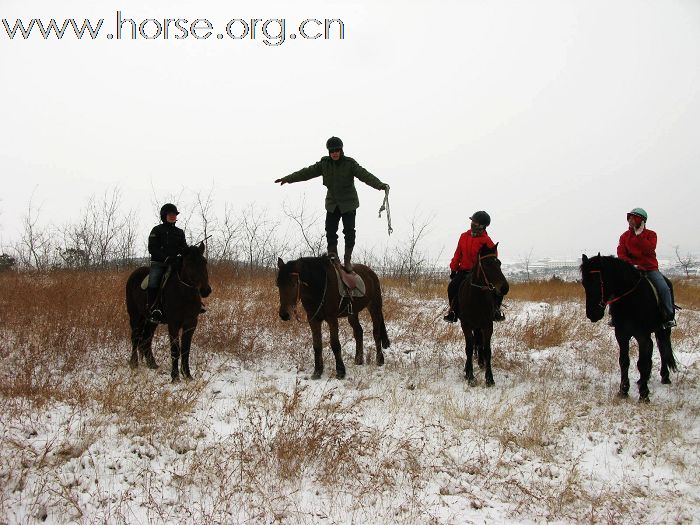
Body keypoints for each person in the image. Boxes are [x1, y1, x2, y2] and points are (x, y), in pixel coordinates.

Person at [275, 136, 389, 272]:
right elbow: (306, 172)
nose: (334, 153)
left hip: (349, 203)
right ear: (329, 152)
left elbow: (364, 175)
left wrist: (380, 185)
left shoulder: (349, 164)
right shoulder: (324, 164)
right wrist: (288, 179)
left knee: (349, 232)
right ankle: (333, 257)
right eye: (332, 151)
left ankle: (347, 260)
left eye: (337, 150)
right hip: (333, 203)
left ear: (341, 150)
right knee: (330, 231)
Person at [617, 207, 675, 328]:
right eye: (630, 217)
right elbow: (621, 254)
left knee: (665, 287)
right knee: (615, 287)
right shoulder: (624, 236)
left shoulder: (651, 234)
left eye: (634, 217)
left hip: (650, 269)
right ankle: (615, 316)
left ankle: (669, 316)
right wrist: (632, 264)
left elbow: (649, 249)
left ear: (642, 220)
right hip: (631, 269)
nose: (630, 220)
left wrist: (639, 236)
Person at [444, 210, 505, 323]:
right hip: (464, 271)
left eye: (476, 223)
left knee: (498, 289)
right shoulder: (463, 236)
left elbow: (492, 257)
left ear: (483, 226)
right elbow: (458, 253)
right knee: (452, 287)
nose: (473, 224)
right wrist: (453, 268)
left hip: (479, 273)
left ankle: (496, 310)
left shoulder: (487, 240)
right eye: (473, 221)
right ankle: (452, 312)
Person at [147, 203, 188, 323]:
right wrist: (165, 258)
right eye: (170, 214)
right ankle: (154, 309)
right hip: (159, 263)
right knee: (154, 281)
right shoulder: (157, 230)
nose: (173, 216)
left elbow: (183, 247)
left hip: (175, 263)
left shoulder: (179, 232)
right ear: (164, 216)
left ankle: (195, 303)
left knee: (189, 276)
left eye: (174, 214)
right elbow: (152, 248)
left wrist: (188, 251)